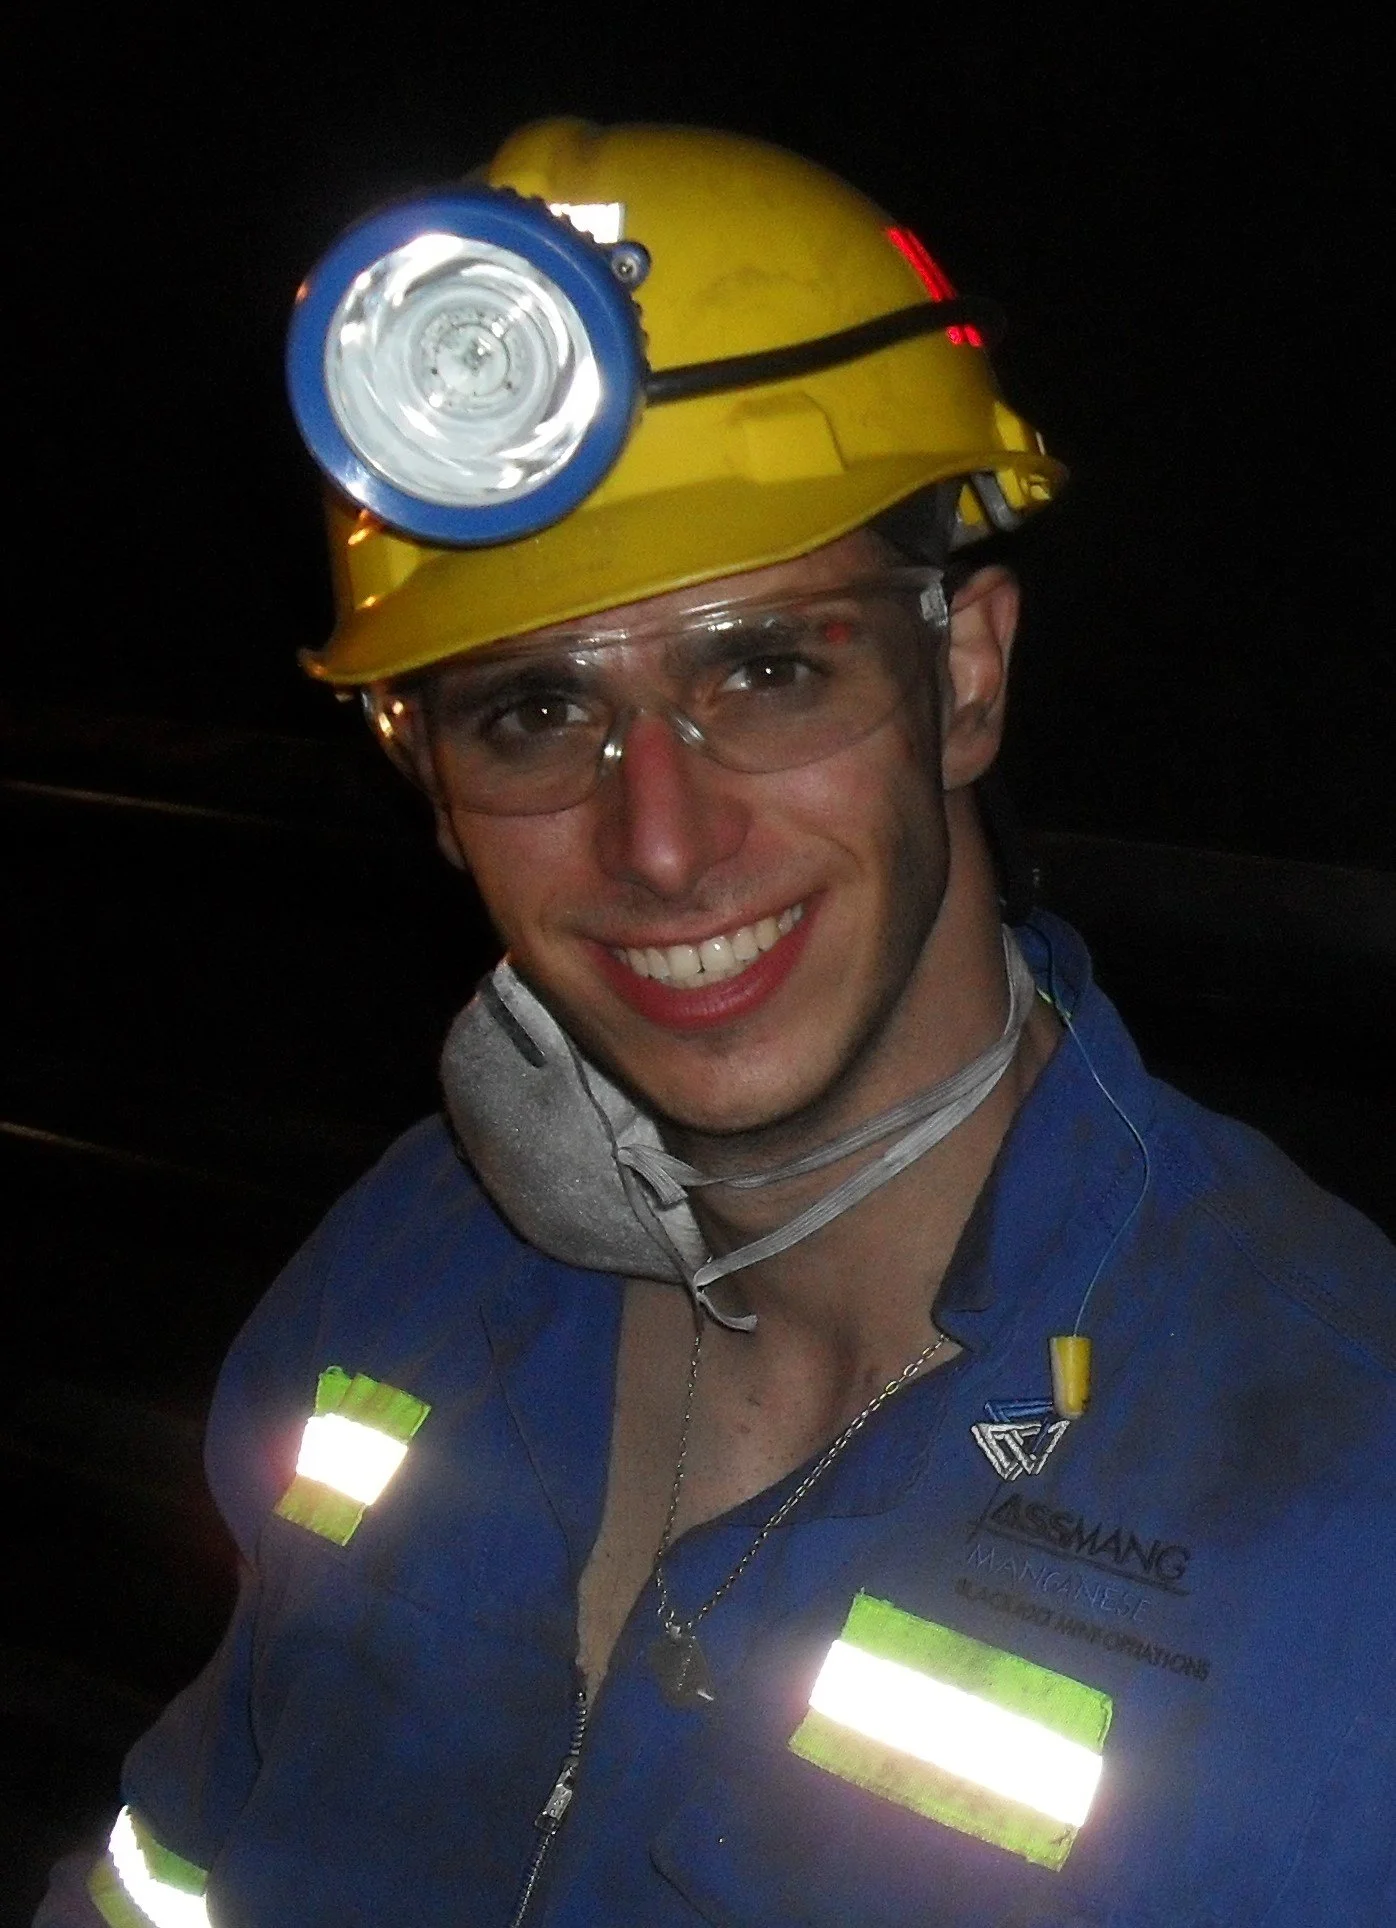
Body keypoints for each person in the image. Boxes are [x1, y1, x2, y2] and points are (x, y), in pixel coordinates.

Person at [40, 119, 1393, 1928]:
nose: (660, 841)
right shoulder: (403, 1271)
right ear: (427, 785)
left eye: (767, 668)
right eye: (533, 713)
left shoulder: (1330, 1481)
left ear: (963, 673)